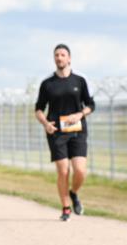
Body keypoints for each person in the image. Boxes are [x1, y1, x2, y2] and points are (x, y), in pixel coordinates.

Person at [34, 43, 95, 221]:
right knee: (63, 171)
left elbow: (91, 105)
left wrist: (79, 114)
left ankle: (74, 193)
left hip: (78, 131)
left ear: (69, 58)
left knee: (80, 171)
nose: (59, 58)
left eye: (62, 55)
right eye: (56, 55)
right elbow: (38, 109)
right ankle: (66, 207)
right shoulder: (47, 84)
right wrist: (45, 123)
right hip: (57, 132)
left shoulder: (79, 81)